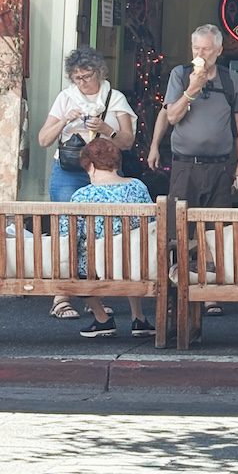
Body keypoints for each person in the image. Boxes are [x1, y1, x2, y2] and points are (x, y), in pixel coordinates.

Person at [38, 46, 137, 321]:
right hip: (69, 170)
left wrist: (106, 130)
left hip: (104, 171)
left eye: (87, 75)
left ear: (99, 72)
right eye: (77, 77)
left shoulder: (115, 98)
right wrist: (64, 121)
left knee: (99, 232)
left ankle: (93, 296)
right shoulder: (65, 97)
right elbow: (44, 139)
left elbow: (127, 141)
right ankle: (61, 296)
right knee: (66, 230)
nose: (82, 82)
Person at [163, 24, 238, 317]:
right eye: (196, 48)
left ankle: (210, 292)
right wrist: (191, 90)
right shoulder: (179, 75)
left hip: (220, 166)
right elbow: (172, 116)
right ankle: (177, 290)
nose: (200, 54)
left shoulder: (230, 79)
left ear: (219, 50)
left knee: (215, 231)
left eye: (207, 49)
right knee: (178, 230)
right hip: (185, 165)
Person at [61, 139, 157, 339]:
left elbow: (68, 235)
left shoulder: (82, 196)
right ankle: (138, 318)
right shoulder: (138, 187)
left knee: (74, 260)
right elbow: (152, 224)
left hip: (96, 266)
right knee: (132, 248)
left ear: (91, 166)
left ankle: (102, 319)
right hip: (135, 263)